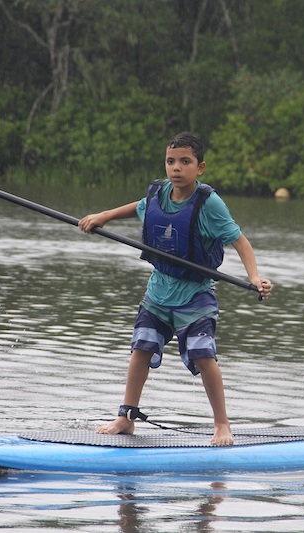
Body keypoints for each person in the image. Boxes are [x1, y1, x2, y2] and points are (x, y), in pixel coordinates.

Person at [78, 132, 272, 445]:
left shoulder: (209, 204)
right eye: (171, 161)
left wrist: (254, 276)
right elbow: (140, 206)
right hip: (158, 292)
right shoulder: (160, 193)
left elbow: (240, 241)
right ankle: (126, 418)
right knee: (141, 348)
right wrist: (103, 216)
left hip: (195, 296)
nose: (176, 168)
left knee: (203, 356)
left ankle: (222, 425)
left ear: (200, 167)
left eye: (185, 162)